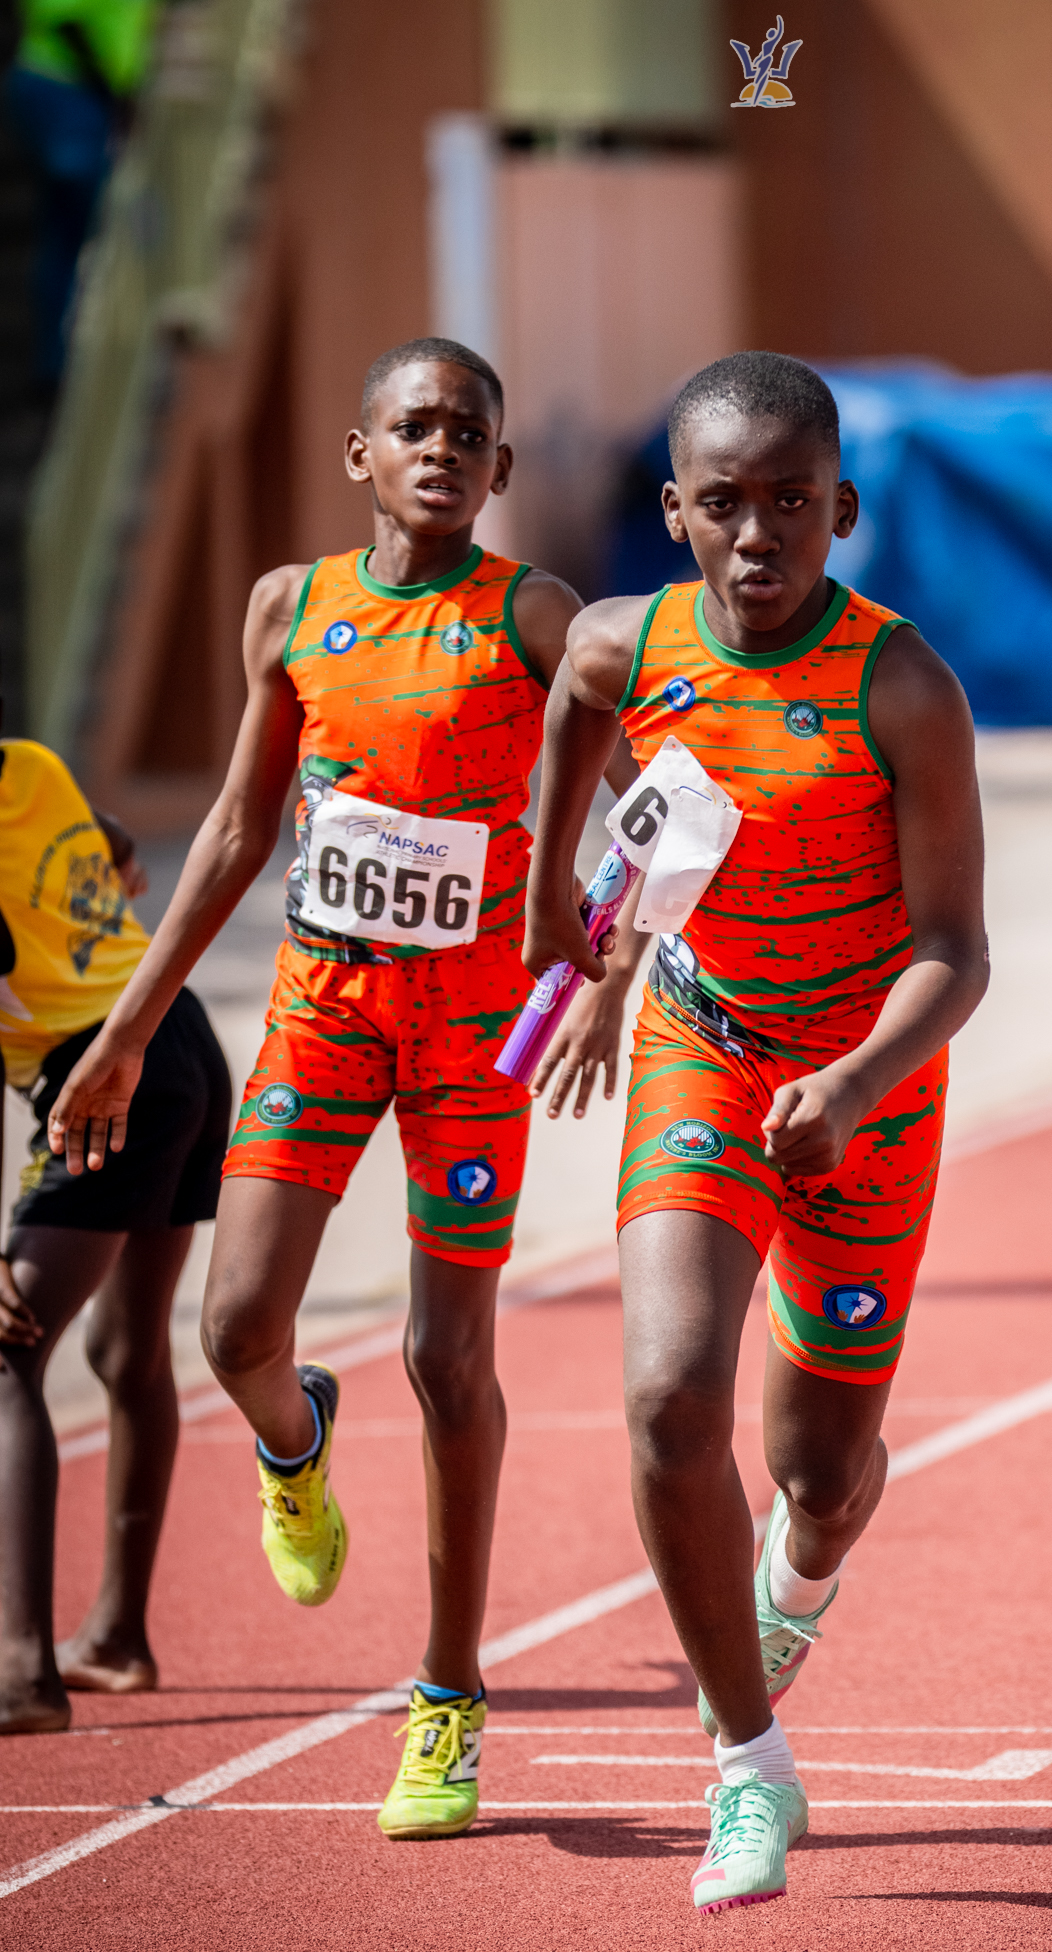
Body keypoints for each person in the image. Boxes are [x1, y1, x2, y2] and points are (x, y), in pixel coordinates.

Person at [48, 337, 627, 1836]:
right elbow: (238, 830)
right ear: (360, 451)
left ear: (500, 470)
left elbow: (645, 804)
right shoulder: (290, 609)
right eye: (413, 426)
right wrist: (127, 1027)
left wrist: (605, 971)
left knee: (447, 1358)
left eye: (468, 434)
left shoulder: (533, 615)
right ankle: (292, 1437)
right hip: (323, 1007)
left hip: (472, 1035)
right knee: (234, 1326)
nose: (441, 450)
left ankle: (446, 1698)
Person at [524, 351, 989, 1914]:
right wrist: (567, 926)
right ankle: (749, 1766)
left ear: (839, 510)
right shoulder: (623, 641)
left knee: (819, 1468)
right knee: (668, 1399)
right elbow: (576, 718)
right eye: (721, 503)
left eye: (789, 502)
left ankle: (800, 1570)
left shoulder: (899, 687)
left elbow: (955, 953)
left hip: (866, 1095)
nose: (754, 534)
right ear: (672, 511)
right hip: (703, 1053)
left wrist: (852, 1083)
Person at [1, 734, 229, 1732]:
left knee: (7, 1357)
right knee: (129, 1349)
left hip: (104, 1077)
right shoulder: (31, 765)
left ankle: (21, 1670)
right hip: (180, 1040)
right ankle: (117, 1638)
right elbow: (121, 846)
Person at [4, 0, 159, 390]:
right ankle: (101, 357)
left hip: (80, 94)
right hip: (66, 90)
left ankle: (60, 362)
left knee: (68, 232)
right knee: (122, 220)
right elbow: (64, 21)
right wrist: (113, 93)